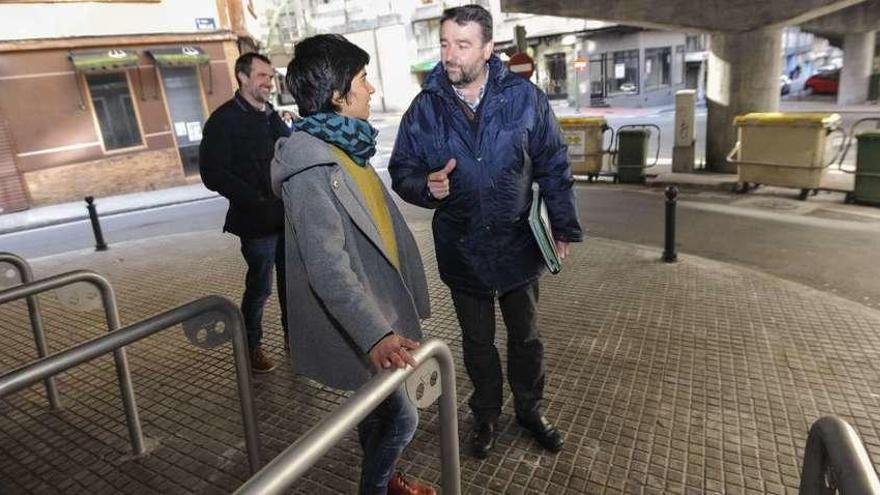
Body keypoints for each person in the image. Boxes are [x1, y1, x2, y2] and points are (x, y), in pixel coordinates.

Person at [389, 4, 583, 459]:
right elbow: (402, 170)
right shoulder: (425, 108)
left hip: (518, 244)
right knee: (478, 343)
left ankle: (530, 410)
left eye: (462, 44)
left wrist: (564, 225)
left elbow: (555, 164)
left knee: (527, 338)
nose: (449, 55)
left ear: (488, 48)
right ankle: (487, 414)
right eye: (444, 44)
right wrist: (426, 186)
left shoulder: (524, 97)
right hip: (463, 248)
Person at [270, 34, 436, 495]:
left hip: (382, 306)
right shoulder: (311, 167)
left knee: (375, 411)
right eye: (363, 79)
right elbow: (327, 267)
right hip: (363, 321)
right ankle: (376, 489)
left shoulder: (349, 148)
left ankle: (390, 480)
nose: (372, 89)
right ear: (338, 95)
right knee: (404, 418)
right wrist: (374, 333)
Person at [199, 52, 290, 373]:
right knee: (261, 288)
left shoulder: (272, 115)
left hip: (286, 218)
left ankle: (294, 339)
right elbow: (212, 174)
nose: (269, 82)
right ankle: (251, 346)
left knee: (290, 284)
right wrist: (255, 198)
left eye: (270, 76)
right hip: (256, 224)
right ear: (242, 77)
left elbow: (287, 153)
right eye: (263, 76)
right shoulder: (223, 121)